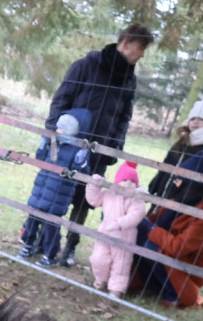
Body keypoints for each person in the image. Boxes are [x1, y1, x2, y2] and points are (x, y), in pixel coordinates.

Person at [45, 22, 154, 268]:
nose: (143, 54)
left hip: (98, 151)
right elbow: (61, 99)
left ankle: (70, 247)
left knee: (84, 200)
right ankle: (45, 242)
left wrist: (114, 148)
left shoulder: (129, 79)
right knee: (55, 193)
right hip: (68, 146)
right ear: (125, 43)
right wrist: (54, 132)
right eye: (140, 47)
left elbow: (124, 116)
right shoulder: (86, 66)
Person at [132, 100, 203, 309]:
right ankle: (150, 282)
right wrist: (157, 185)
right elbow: (167, 165)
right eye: (193, 118)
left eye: (201, 120)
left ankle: (174, 290)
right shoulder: (183, 141)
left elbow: (202, 172)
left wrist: (182, 182)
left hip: (186, 195)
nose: (196, 123)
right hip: (170, 194)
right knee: (146, 236)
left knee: (158, 242)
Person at [17, 108, 92, 267]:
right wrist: (42, 146)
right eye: (58, 127)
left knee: (52, 226)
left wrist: (81, 161)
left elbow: (82, 174)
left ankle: (50, 255)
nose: (57, 131)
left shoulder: (78, 149)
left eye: (62, 129)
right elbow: (40, 159)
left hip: (59, 195)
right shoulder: (53, 142)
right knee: (32, 219)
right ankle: (28, 245)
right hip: (41, 190)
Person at [86, 162, 147, 297]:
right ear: (118, 181)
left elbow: (135, 215)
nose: (128, 183)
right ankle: (101, 280)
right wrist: (93, 184)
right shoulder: (109, 194)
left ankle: (115, 290)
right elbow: (93, 200)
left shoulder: (137, 200)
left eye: (132, 181)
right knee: (98, 258)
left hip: (124, 239)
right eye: (125, 180)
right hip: (105, 235)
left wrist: (119, 224)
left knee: (120, 266)